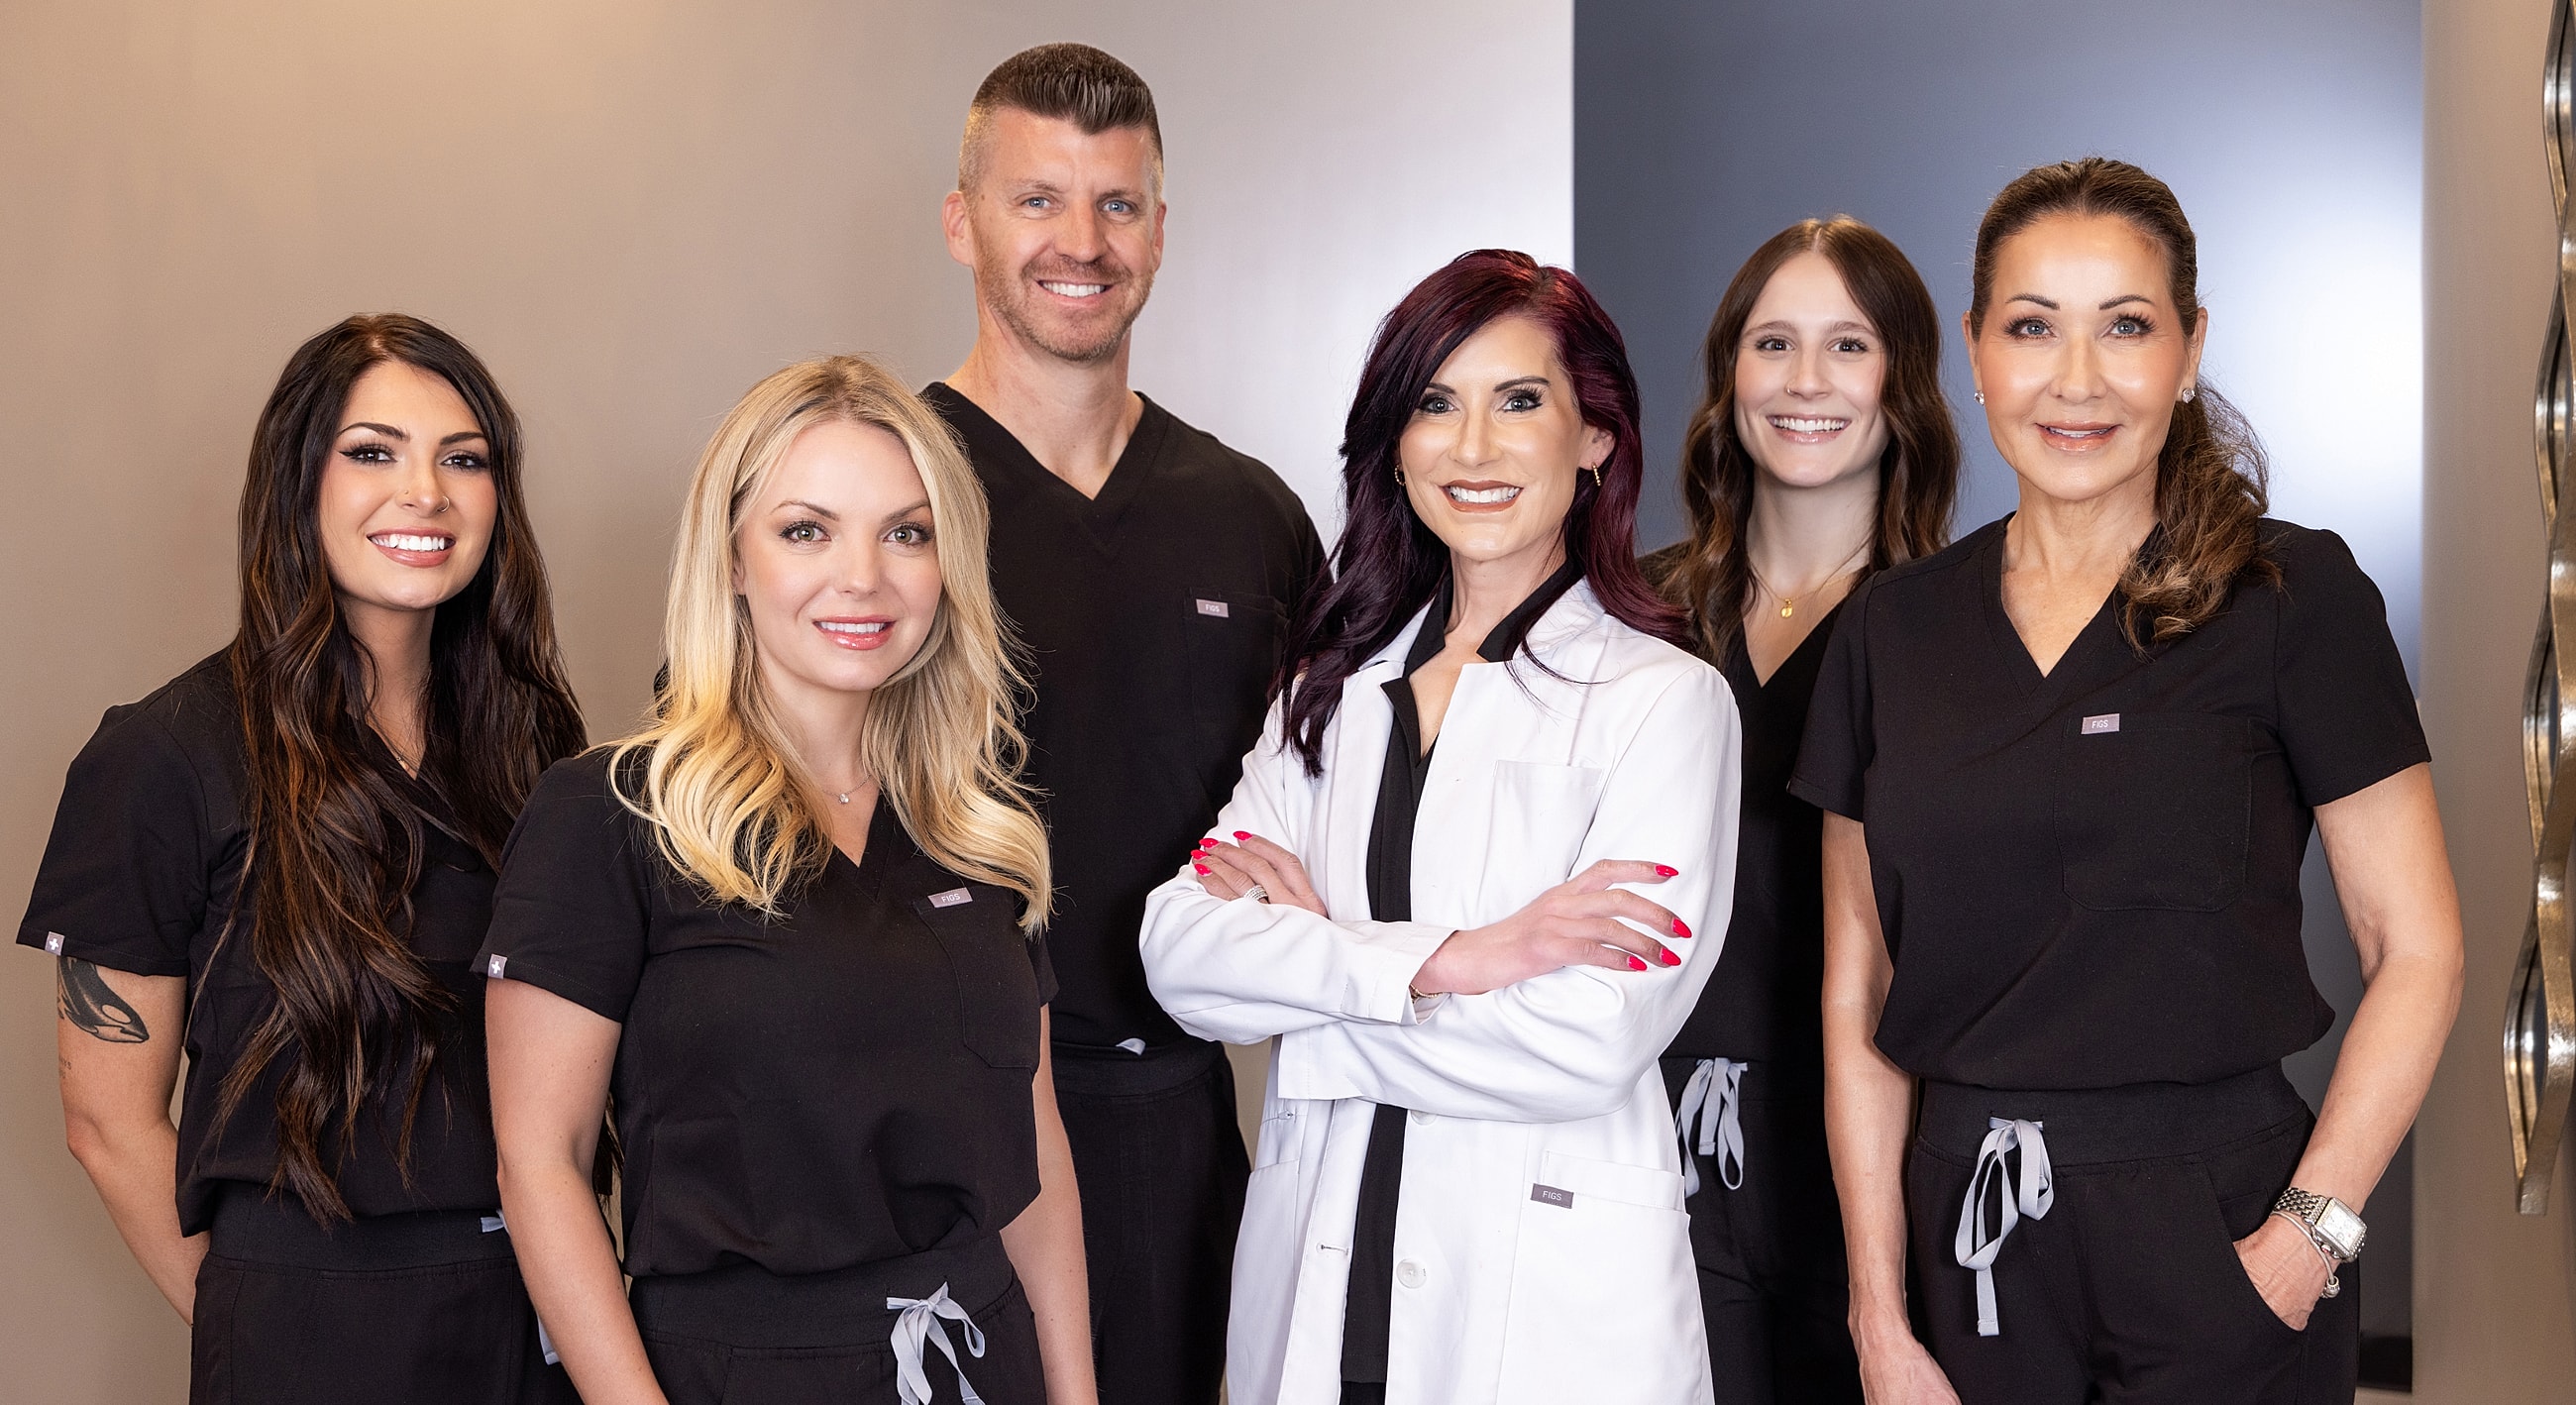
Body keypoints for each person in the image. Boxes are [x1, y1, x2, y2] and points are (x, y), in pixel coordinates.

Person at [1804, 158, 2464, 1404]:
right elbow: (1858, 1000)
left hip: (2219, 1221)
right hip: (1965, 1234)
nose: (2075, 379)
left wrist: (2303, 1238)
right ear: (1973, 350)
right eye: (2030, 327)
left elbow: (2416, 944)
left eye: (2124, 326)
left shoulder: (2289, 597)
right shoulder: (1887, 633)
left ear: (2188, 343)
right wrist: (1878, 1316)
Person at [1139, 249, 1740, 1405]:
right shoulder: (1329, 687)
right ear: (1395, 443)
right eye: (1433, 404)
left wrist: (1308, 1004)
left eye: (1519, 401)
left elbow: (1587, 1039)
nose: (1471, 449)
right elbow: (1182, 956)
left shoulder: (1664, 703)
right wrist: (1462, 959)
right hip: (1321, 1265)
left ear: (1595, 436)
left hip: (1544, 1311)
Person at [482, 356, 1096, 1405]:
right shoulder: (610, 814)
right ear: (730, 558)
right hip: (735, 1371)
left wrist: (1075, 1393)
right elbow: (541, 1160)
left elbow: (1030, 1146)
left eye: (906, 531)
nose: (862, 575)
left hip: (980, 1359)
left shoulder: (975, 826)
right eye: (806, 528)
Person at [19, 314, 587, 1404]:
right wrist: (257, 1317)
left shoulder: (533, 749)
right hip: (312, 1312)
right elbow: (105, 1119)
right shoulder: (166, 753)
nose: (424, 490)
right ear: (298, 480)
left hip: (533, 1296)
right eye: (372, 450)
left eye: (462, 458)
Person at [922, 42, 1327, 1404]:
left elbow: (1328, 800)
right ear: (961, 218)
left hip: (1174, 1123)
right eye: (1037, 200)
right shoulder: (883, 498)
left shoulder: (1250, 514)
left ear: (1160, 227)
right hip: (932, 1121)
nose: (1080, 243)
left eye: (1117, 202)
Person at [1640, 216, 1960, 1405]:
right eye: (1772, 342)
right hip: (1650, 1138)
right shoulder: (1640, 614)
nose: (1805, 381)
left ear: (1903, 383)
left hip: (1862, 1151)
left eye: (1847, 345)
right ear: (1729, 375)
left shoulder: (1955, 631)